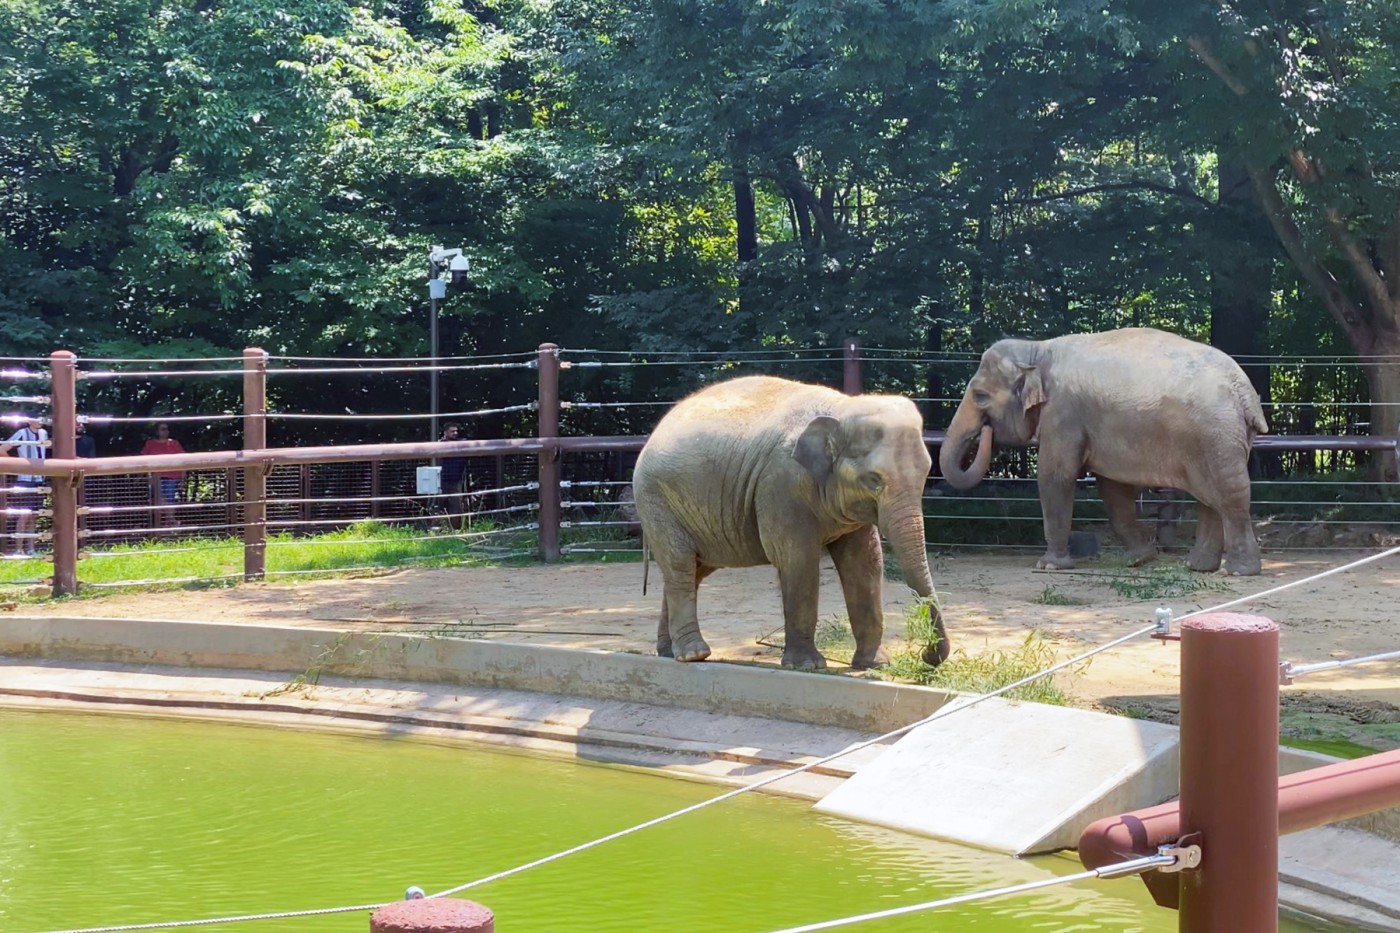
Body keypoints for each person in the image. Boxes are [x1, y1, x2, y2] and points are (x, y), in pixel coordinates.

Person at [0, 417, 48, 556]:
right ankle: (18, 549)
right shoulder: (22, 433)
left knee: (34, 515)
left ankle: (31, 549)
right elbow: (3, 448)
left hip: (40, 478)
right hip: (25, 479)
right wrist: (17, 464)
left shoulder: (44, 433)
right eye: (37, 419)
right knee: (24, 514)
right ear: (29, 421)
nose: (40, 421)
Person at [140, 422, 186, 527]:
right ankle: (169, 521)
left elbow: (183, 459)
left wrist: (183, 476)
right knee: (158, 498)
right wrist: (147, 476)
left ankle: (169, 521)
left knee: (169, 498)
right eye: (163, 429)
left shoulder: (175, 443)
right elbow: (143, 460)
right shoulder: (150, 444)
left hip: (172, 476)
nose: (165, 431)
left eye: (167, 429)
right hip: (156, 476)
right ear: (157, 431)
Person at [439, 422, 469, 530]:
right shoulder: (440, 445)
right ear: (446, 432)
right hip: (442, 480)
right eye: (452, 431)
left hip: (457, 480)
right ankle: (440, 529)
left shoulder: (461, 444)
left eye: (456, 431)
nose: (455, 433)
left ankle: (456, 530)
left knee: (456, 507)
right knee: (439, 506)